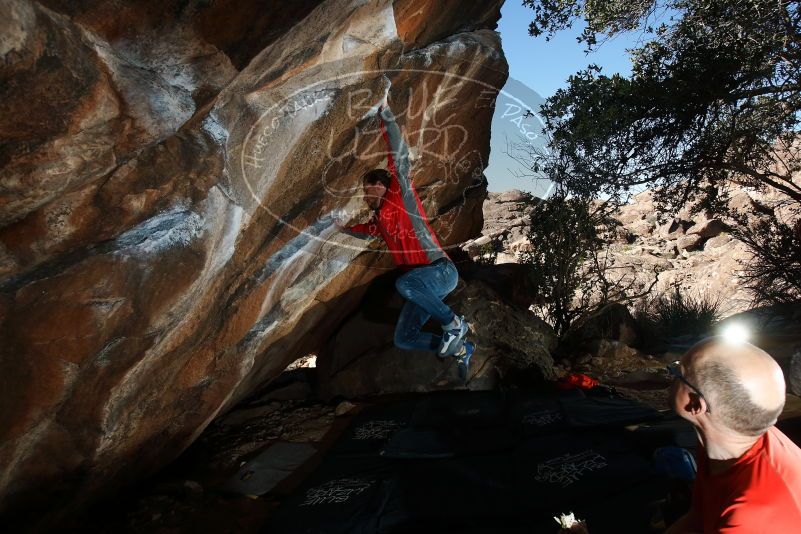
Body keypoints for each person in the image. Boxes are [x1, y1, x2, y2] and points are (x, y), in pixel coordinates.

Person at [334, 102, 474, 380]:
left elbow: (398, 157)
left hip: (440, 271)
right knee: (404, 338)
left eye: (371, 189)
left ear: (385, 186)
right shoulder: (381, 222)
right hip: (425, 285)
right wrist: (342, 229)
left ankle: (454, 324)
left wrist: (385, 112)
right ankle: (461, 349)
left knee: (404, 283)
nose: (367, 195)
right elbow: (368, 231)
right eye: (365, 191)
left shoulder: (401, 197)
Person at [665, 336, 801, 533]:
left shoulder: (750, 515)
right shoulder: (726, 438)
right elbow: (698, 517)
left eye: (677, 372)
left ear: (695, 405)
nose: (671, 376)